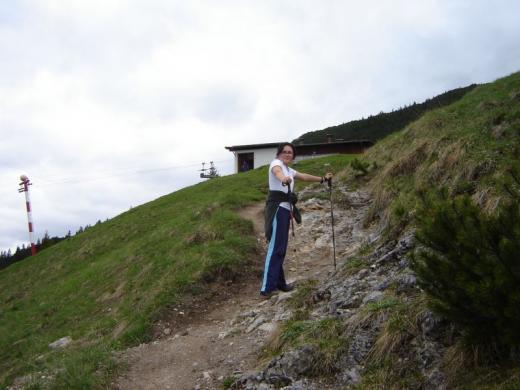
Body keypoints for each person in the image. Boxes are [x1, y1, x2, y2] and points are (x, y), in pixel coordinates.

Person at [261, 142, 333, 297]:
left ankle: (279, 283)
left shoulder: (289, 169)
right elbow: (277, 172)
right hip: (277, 209)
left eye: (290, 152)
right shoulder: (277, 164)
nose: (288, 154)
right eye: (285, 152)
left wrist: (322, 179)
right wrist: (283, 179)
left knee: (280, 248)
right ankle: (267, 288)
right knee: (275, 248)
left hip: (286, 210)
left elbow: (304, 176)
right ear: (279, 153)